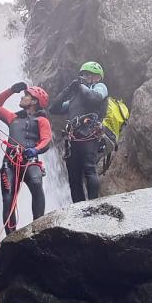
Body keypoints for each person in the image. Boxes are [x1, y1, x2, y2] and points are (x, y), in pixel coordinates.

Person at [0, 82, 52, 232]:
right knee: (8, 198)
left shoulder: (42, 120)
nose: (22, 97)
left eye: (26, 96)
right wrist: (11, 90)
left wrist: (35, 150)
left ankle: (38, 229)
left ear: (34, 101)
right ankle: (10, 237)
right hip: (10, 163)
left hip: (31, 162)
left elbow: (46, 140)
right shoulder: (13, 117)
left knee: (36, 184)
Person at [50, 61, 109, 202]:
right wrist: (68, 90)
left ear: (97, 77)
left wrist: (81, 85)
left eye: (88, 75)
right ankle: (78, 207)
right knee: (73, 175)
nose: (84, 77)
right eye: (83, 74)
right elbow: (54, 108)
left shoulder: (100, 87)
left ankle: (93, 203)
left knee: (89, 168)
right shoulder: (74, 99)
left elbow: (94, 98)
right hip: (73, 138)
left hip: (89, 133)